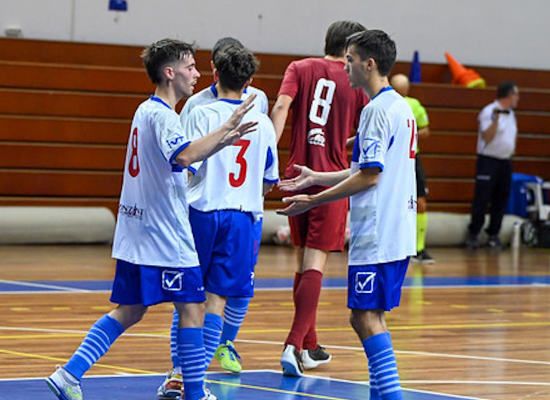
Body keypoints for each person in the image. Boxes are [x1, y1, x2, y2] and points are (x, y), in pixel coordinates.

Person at [45, 38, 257, 400]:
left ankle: (69, 374)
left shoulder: (144, 111)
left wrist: (222, 140)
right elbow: (185, 157)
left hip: (137, 232)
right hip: (165, 235)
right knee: (194, 307)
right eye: (190, 67)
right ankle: (194, 392)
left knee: (131, 310)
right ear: (170, 73)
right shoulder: (164, 116)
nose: (196, 74)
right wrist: (225, 132)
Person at [278, 29, 416, 400]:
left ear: (368, 64)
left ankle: (391, 396)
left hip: (378, 231)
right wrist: (316, 177)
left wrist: (314, 200)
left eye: (350, 60)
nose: (345, 67)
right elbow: (362, 168)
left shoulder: (374, 111)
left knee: (364, 317)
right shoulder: (400, 107)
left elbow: (369, 176)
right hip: (397, 230)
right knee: (372, 317)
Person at [157, 46, 279, 399]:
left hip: (202, 213)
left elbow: (185, 168)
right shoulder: (263, 122)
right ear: (250, 81)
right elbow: (269, 180)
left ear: (215, 75)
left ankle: (179, 374)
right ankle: (191, 378)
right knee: (217, 301)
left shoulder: (200, 113)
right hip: (242, 217)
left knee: (187, 299)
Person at [270, 20, 368, 376]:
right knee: (315, 262)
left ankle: (310, 345)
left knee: (301, 262)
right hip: (330, 181)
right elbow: (366, 134)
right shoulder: (355, 80)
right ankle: (294, 344)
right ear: (351, 50)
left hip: (297, 174)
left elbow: (281, 107)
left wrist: (269, 156)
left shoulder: (299, 67)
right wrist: (340, 142)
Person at [466, 81, 519, 249]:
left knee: (501, 198)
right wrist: (496, 120)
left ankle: (493, 234)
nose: (517, 99)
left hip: (505, 162)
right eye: (516, 95)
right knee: (482, 198)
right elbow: (487, 137)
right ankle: (474, 233)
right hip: (488, 161)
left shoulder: (511, 114)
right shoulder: (489, 111)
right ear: (509, 95)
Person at [390, 73, 434, 264]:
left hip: (412, 159)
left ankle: (419, 248)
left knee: (420, 202)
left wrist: (411, 131)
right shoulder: (384, 104)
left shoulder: (414, 105)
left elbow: (426, 130)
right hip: (391, 159)